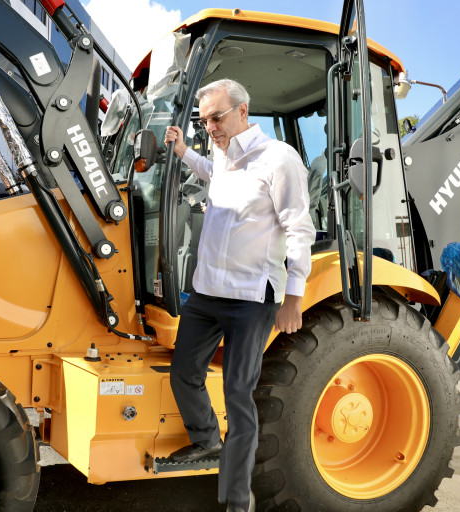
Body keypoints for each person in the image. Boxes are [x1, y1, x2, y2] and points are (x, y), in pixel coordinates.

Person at [164, 79, 315, 512]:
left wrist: (294, 296)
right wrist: (183, 151)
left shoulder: (278, 159)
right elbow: (213, 175)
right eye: (204, 121)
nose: (210, 127)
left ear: (243, 111)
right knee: (184, 372)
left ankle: (236, 498)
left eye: (216, 117)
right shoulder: (222, 155)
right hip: (207, 292)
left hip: (251, 298)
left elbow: (298, 228)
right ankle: (207, 442)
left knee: (238, 395)